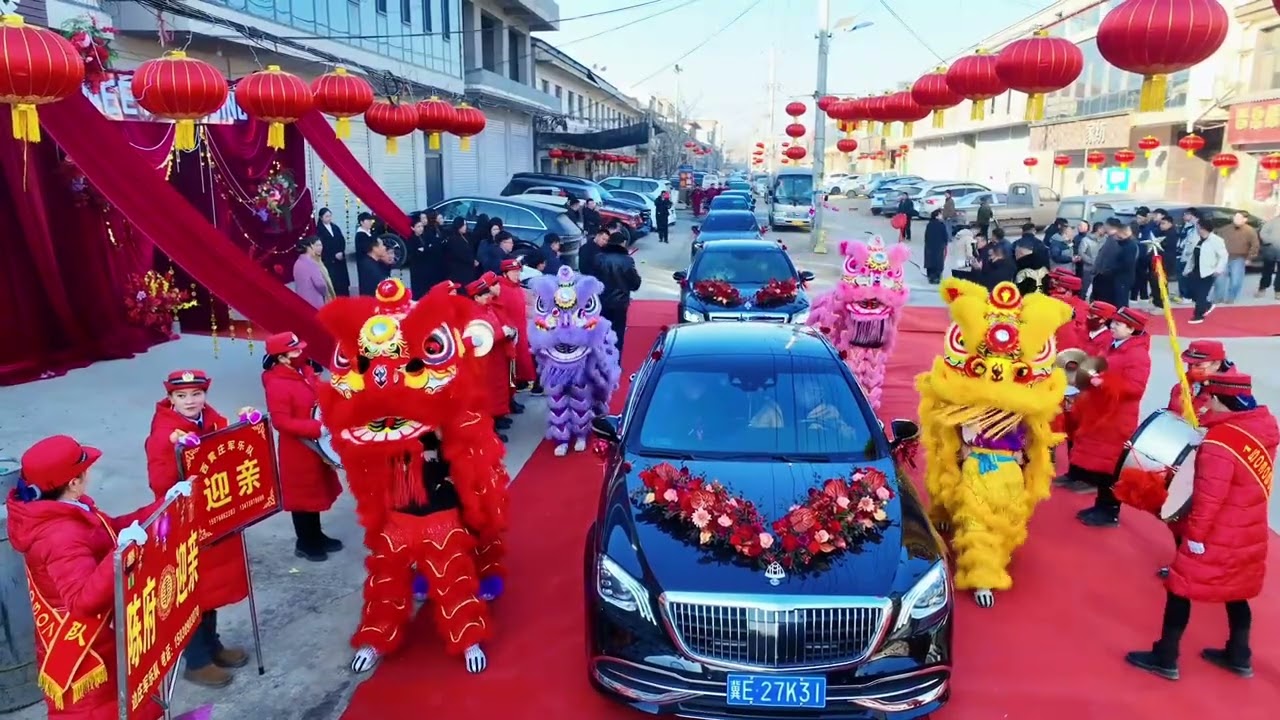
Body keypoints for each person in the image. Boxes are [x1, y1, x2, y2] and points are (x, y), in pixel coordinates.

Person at [6, 436, 175, 720]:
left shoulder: (66, 508)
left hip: (102, 639)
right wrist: (120, 555)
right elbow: (82, 600)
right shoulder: (61, 535)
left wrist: (161, 508)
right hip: (87, 650)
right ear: (73, 481)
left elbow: (110, 531)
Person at [1125, 371, 1275, 681]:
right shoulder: (1263, 427)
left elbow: (1209, 495)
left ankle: (1165, 656)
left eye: (1210, 400)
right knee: (1237, 591)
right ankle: (1239, 654)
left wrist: (1194, 536)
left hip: (1217, 530)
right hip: (1247, 528)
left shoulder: (1221, 443)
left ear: (1221, 400)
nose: (1206, 406)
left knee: (1180, 589)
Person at [144, 370, 252, 687]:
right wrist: (182, 463)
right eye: (182, 396)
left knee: (212, 588)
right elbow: (159, 483)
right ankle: (195, 659)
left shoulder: (212, 419)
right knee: (192, 592)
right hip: (186, 522)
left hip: (215, 515)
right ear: (171, 398)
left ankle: (212, 644)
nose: (190, 401)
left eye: (196, 394)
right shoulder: (163, 434)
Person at [261, 332, 344, 562]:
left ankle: (316, 535)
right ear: (282, 358)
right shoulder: (277, 385)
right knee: (302, 498)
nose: (301, 353)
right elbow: (282, 422)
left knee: (315, 493)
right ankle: (305, 542)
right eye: (295, 351)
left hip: (315, 446)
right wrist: (317, 428)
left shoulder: (304, 372)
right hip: (297, 450)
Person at [1069, 308, 1152, 527]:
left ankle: (1110, 510)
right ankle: (1101, 505)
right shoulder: (1114, 346)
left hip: (1117, 418)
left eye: (1117, 324)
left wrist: (1104, 383)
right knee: (1102, 464)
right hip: (1102, 413)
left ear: (1131, 329)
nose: (1112, 327)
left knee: (1111, 467)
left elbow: (1135, 388)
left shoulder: (1137, 355)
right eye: (1113, 323)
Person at [466, 273, 515, 442]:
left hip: (497, 356)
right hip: (486, 361)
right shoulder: (473, 314)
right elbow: (484, 336)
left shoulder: (487, 308)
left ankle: (498, 418)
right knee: (488, 396)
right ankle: (491, 431)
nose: (489, 296)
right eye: (485, 294)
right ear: (476, 297)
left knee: (498, 389)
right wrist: (503, 333)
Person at [492, 259, 536, 412]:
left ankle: (511, 399)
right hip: (509, 336)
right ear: (505, 273)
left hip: (520, 334)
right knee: (508, 372)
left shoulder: (515, 287)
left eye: (518, 271)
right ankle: (507, 402)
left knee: (515, 371)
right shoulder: (501, 289)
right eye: (514, 272)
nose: (517, 274)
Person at [594, 230, 643, 355]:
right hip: (620, 302)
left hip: (602, 300)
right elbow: (634, 283)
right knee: (618, 332)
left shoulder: (599, 258)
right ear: (622, 243)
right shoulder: (626, 260)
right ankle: (615, 358)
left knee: (602, 330)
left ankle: (601, 356)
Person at [1186, 216, 1229, 325]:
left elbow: (1223, 256)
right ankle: (1207, 305)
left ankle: (1198, 315)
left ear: (1203, 228)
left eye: (1198, 226)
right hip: (1195, 270)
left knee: (1201, 294)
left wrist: (1219, 269)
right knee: (1192, 292)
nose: (1196, 228)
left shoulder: (1216, 240)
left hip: (1208, 271)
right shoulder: (1197, 239)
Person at [1214, 212, 1259, 304]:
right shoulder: (1224, 229)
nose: (1236, 219)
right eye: (1235, 217)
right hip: (1223, 257)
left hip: (1239, 258)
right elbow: (1216, 242)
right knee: (1219, 280)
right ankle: (1218, 297)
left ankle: (1231, 298)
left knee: (1236, 281)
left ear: (1245, 219)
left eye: (1239, 217)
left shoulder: (1250, 231)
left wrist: (1249, 258)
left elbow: (1255, 245)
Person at [407, 210, 445, 299]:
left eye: (421, 226)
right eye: (418, 226)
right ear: (413, 228)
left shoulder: (427, 235)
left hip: (429, 270)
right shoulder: (411, 240)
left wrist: (425, 249)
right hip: (418, 272)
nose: (421, 228)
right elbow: (414, 254)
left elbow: (434, 246)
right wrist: (427, 249)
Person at [293, 236, 336, 309]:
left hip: (302, 300)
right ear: (309, 248)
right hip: (315, 300)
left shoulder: (297, 263)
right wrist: (325, 293)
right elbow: (320, 284)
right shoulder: (311, 263)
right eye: (315, 246)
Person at [316, 207, 350, 296]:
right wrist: (332, 255)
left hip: (340, 258)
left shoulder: (335, 227)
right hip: (329, 260)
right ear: (321, 218)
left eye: (330, 216)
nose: (329, 218)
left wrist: (341, 252)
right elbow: (321, 246)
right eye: (326, 216)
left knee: (343, 282)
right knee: (334, 282)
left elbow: (342, 240)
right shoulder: (318, 230)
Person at [442, 216, 476, 285]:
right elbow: (459, 253)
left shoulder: (465, 236)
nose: (465, 227)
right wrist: (472, 260)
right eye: (463, 225)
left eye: (466, 225)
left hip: (467, 268)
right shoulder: (453, 239)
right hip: (459, 270)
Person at [1257, 211, 1280, 299]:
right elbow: (1263, 233)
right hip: (1270, 250)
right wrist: (1270, 241)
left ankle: (1278, 291)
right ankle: (1262, 288)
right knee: (1267, 271)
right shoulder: (1272, 222)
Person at [923, 209, 948, 283]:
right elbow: (945, 236)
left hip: (929, 246)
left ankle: (931, 276)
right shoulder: (941, 225)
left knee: (930, 261)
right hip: (939, 246)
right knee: (938, 261)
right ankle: (937, 276)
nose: (941, 216)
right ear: (936, 216)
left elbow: (926, 236)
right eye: (940, 214)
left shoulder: (929, 224)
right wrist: (945, 243)